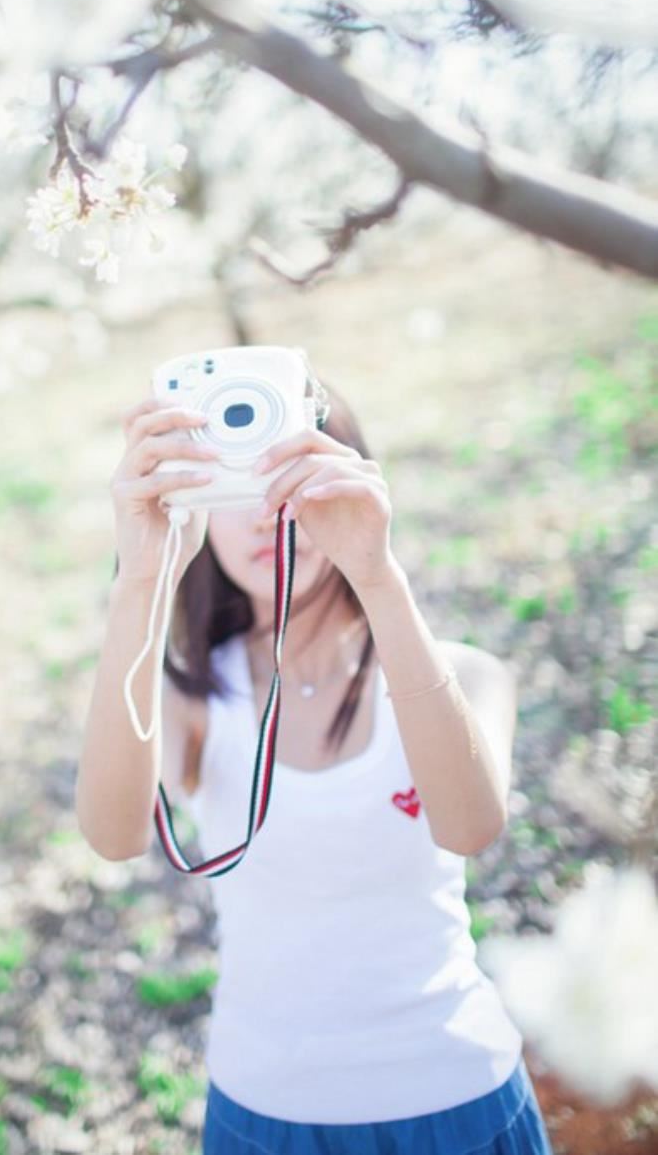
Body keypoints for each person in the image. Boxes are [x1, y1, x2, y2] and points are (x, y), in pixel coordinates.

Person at [75, 373, 555, 1155]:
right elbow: (113, 834)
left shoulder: (466, 676)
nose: (263, 508)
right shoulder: (196, 695)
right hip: (264, 1107)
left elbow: (469, 826)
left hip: (455, 1090)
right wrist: (141, 578)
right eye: (233, 477)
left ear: (351, 472)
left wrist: (377, 572)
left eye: (287, 466)